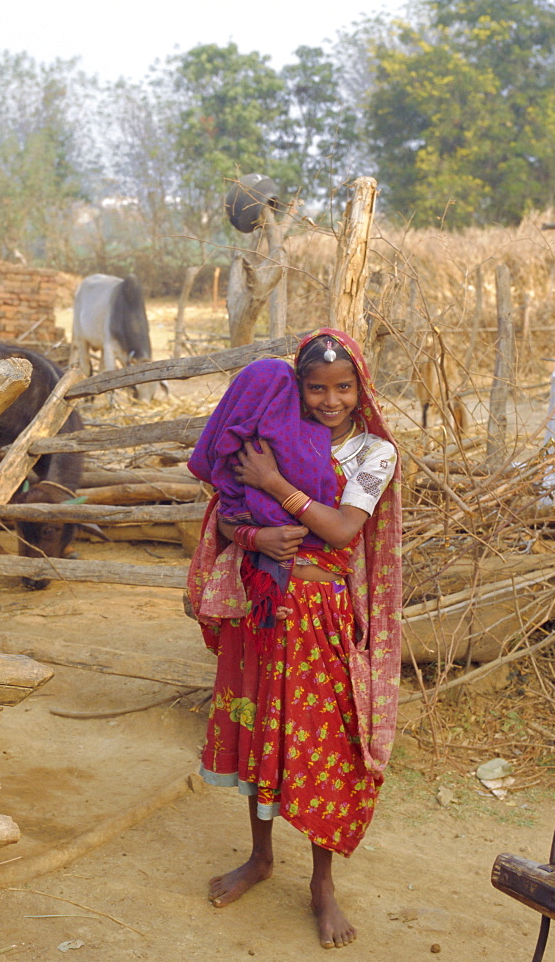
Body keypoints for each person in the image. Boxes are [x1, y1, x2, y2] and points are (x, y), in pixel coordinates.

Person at [187, 328, 402, 949]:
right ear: (299, 388)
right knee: (258, 732)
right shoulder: (270, 429)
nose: (330, 401)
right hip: (264, 609)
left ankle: (322, 884)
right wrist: (256, 539)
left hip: (320, 620)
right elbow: (228, 514)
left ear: (361, 388)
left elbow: (339, 530)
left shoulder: (373, 454)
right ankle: (259, 858)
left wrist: (277, 484)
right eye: (316, 389)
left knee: (321, 745)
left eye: (343, 388)